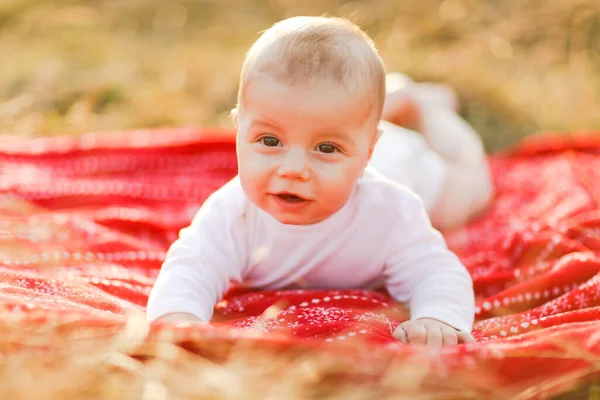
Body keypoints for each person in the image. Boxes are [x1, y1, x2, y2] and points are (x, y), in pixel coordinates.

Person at [147, 16, 481, 346]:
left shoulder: (392, 211)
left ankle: (430, 107)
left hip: (407, 165)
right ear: (239, 130)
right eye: (269, 141)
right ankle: (389, 99)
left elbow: (436, 272)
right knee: (333, 109)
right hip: (356, 131)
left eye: (326, 148)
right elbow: (191, 267)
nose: (293, 169)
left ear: (368, 152)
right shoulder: (232, 213)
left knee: (471, 188)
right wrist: (180, 318)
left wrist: (437, 317)